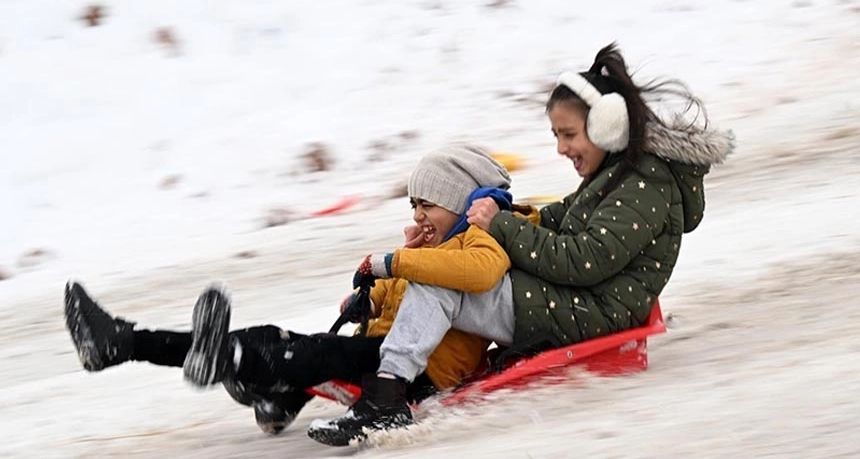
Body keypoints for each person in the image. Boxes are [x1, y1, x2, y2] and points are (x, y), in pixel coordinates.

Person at [307, 42, 735, 446]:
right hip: (578, 300)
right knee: (452, 269)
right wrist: (505, 217)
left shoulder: (644, 186)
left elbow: (586, 259)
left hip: (594, 311)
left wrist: (505, 227)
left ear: (607, 126)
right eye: (556, 136)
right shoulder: (620, 176)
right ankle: (395, 373)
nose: (561, 148)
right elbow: (561, 218)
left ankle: (387, 397)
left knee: (441, 281)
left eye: (568, 134)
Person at [63, 143, 521, 436]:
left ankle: (233, 367)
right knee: (281, 342)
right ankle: (131, 343)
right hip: (382, 351)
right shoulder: (435, 245)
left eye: (429, 204)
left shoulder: (479, 241)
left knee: (297, 352)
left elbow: (472, 277)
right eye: (414, 204)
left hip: (421, 373)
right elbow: (403, 300)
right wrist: (371, 297)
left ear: (464, 201)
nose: (419, 215)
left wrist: (403, 261)